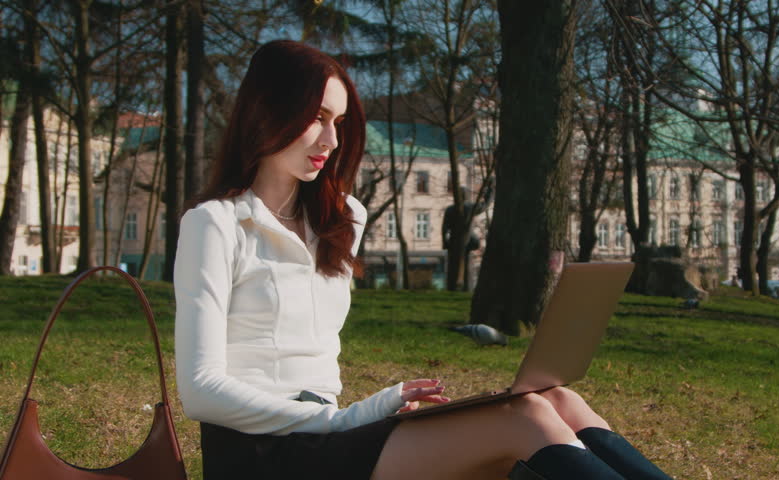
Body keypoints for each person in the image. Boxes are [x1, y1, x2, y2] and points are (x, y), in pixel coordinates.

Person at [174, 39, 672, 480]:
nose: (331, 140)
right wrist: (343, 419)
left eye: (339, 123)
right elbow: (200, 392)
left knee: (558, 401)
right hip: (263, 456)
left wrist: (346, 419)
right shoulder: (215, 223)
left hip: (330, 435)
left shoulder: (342, 218)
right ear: (268, 110)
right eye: (318, 118)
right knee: (524, 419)